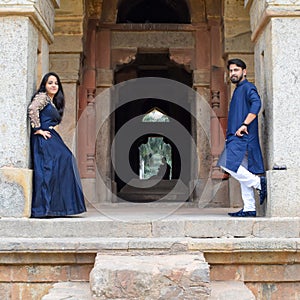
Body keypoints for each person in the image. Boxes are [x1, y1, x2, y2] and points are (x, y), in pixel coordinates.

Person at [28, 72, 86, 218]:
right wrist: (38, 129)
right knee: (49, 168)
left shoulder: (53, 101)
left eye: (56, 83)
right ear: (44, 85)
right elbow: (32, 109)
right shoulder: (42, 97)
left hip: (51, 136)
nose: (53, 86)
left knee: (65, 161)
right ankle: (45, 208)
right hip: (44, 138)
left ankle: (58, 207)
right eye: (50, 83)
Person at [217, 59, 267, 217]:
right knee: (242, 172)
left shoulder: (248, 87)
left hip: (242, 137)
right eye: (231, 71)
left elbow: (257, 104)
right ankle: (249, 208)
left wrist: (245, 124)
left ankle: (259, 183)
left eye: (236, 70)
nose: (233, 73)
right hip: (236, 137)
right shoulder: (238, 90)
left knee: (226, 164)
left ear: (244, 72)